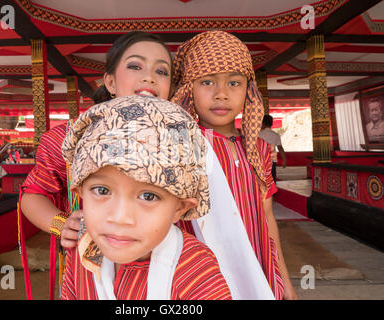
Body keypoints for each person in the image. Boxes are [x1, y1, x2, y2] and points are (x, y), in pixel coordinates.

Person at [20, 31, 273, 300]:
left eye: (161, 71)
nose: (149, 77)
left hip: (171, 265)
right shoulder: (73, 135)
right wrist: (61, 224)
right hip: (93, 258)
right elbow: (32, 194)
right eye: (134, 66)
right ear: (110, 81)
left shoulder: (181, 136)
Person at [60, 95, 231, 300]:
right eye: (102, 191)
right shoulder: (82, 248)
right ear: (80, 193)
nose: (120, 217)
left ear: (180, 208)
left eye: (148, 196)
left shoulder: (196, 270)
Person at [171, 30, 297, 300]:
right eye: (207, 82)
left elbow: (267, 217)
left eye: (234, 83)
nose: (221, 94)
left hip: (258, 271)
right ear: (188, 89)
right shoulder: (180, 147)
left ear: (249, 91)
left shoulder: (259, 149)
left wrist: (284, 279)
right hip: (200, 276)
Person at [259, 115, 287, 182]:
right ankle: (272, 192)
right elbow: (280, 148)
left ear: (263, 123)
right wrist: (284, 159)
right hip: (272, 160)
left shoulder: (258, 134)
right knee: (271, 179)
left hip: (260, 160)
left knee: (260, 179)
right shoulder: (276, 135)